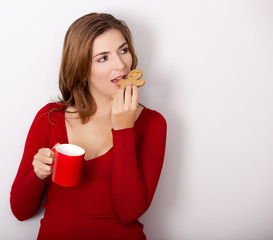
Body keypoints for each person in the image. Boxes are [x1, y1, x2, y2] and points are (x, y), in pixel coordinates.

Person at [10, 12, 167, 240]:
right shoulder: (50, 118)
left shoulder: (152, 123)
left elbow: (129, 212)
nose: (121, 64)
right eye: (103, 58)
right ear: (82, 69)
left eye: (123, 50)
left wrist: (123, 130)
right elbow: (20, 212)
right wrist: (37, 174)